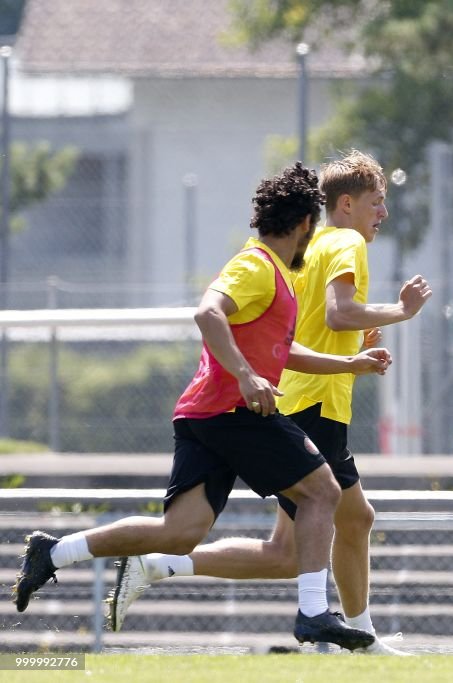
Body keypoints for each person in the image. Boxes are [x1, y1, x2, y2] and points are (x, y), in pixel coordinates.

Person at [13, 162, 393, 651]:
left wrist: (349, 364)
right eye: (311, 230)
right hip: (232, 412)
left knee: (179, 533)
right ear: (303, 225)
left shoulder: (277, 275)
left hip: (204, 415)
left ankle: (53, 552)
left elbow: (283, 351)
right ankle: (314, 613)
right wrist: (245, 375)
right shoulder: (255, 264)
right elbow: (206, 311)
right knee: (322, 492)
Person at [109, 150, 430, 656]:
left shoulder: (308, 244)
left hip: (298, 397)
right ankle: (359, 640)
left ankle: (161, 565)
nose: (382, 214)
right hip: (316, 404)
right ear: (345, 204)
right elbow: (339, 312)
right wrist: (399, 311)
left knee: (306, 542)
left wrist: (349, 344)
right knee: (332, 528)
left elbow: (306, 321)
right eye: (377, 203)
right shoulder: (345, 239)